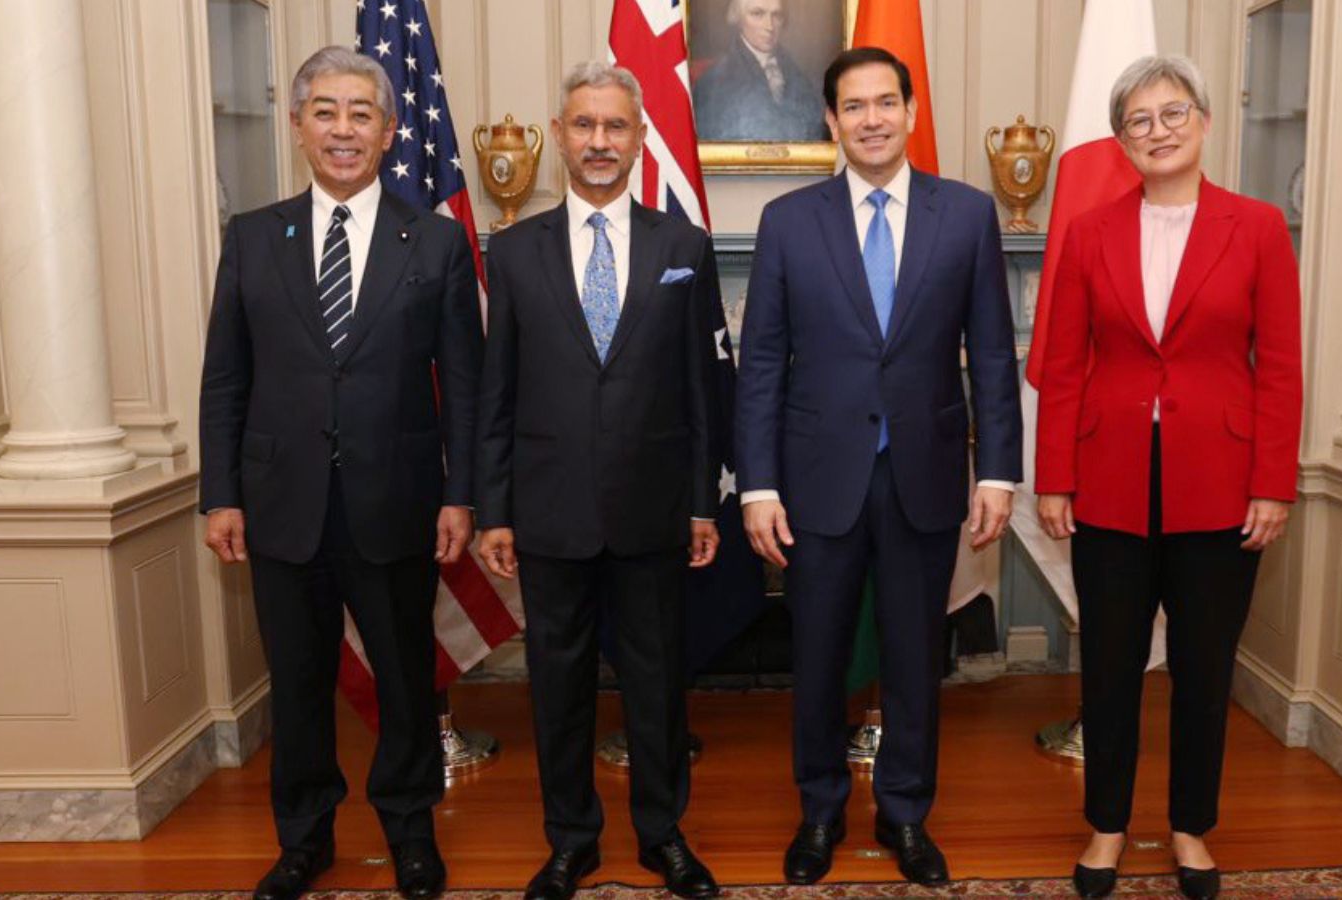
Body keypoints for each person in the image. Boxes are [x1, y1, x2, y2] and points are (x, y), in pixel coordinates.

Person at [736, 47, 1023, 889]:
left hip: (926, 477)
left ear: (908, 110)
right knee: (819, 658)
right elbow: (762, 364)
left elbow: (993, 357)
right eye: (853, 106)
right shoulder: (790, 220)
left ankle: (905, 815)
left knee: (912, 661)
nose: (870, 118)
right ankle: (819, 812)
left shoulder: (966, 215)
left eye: (884, 102)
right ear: (831, 121)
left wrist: (998, 471)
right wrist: (757, 484)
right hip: (817, 483)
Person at [198, 46, 480, 900]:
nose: (343, 129)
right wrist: (221, 495)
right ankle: (305, 839)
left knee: (403, 681)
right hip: (281, 506)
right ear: (297, 126)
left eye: (362, 113)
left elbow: (466, 381)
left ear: (390, 131)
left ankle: (410, 834)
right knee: (299, 685)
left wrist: (461, 492)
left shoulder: (433, 240)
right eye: (325, 111)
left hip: (394, 502)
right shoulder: (252, 238)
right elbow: (226, 379)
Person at [1033, 55, 1303, 900]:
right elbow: (1066, 364)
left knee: (1203, 667)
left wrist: (1273, 483)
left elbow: (1282, 367)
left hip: (1222, 487)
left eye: (1172, 112)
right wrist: (1054, 477)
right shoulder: (1088, 231)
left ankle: (1190, 829)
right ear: (1121, 141)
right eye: (1140, 120)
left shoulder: (1257, 227)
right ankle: (1108, 828)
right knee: (1108, 666)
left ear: (1205, 121)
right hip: (1108, 480)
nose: (1158, 129)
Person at [473, 62, 723, 900]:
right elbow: (495, 393)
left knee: (657, 687)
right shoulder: (509, 253)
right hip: (548, 515)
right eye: (583, 126)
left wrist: (700, 501)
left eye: (616, 126)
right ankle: (572, 839)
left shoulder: (682, 247)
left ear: (641, 135)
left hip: (654, 510)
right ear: (558, 135)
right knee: (559, 689)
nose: (600, 142)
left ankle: (662, 835)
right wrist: (495, 509)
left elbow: (700, 388)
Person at [692, 0, 829, 141]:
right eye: (757, 14)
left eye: (776, 15)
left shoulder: (804, 78)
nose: (769, 26)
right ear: (738, 18)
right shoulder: (712, 84)